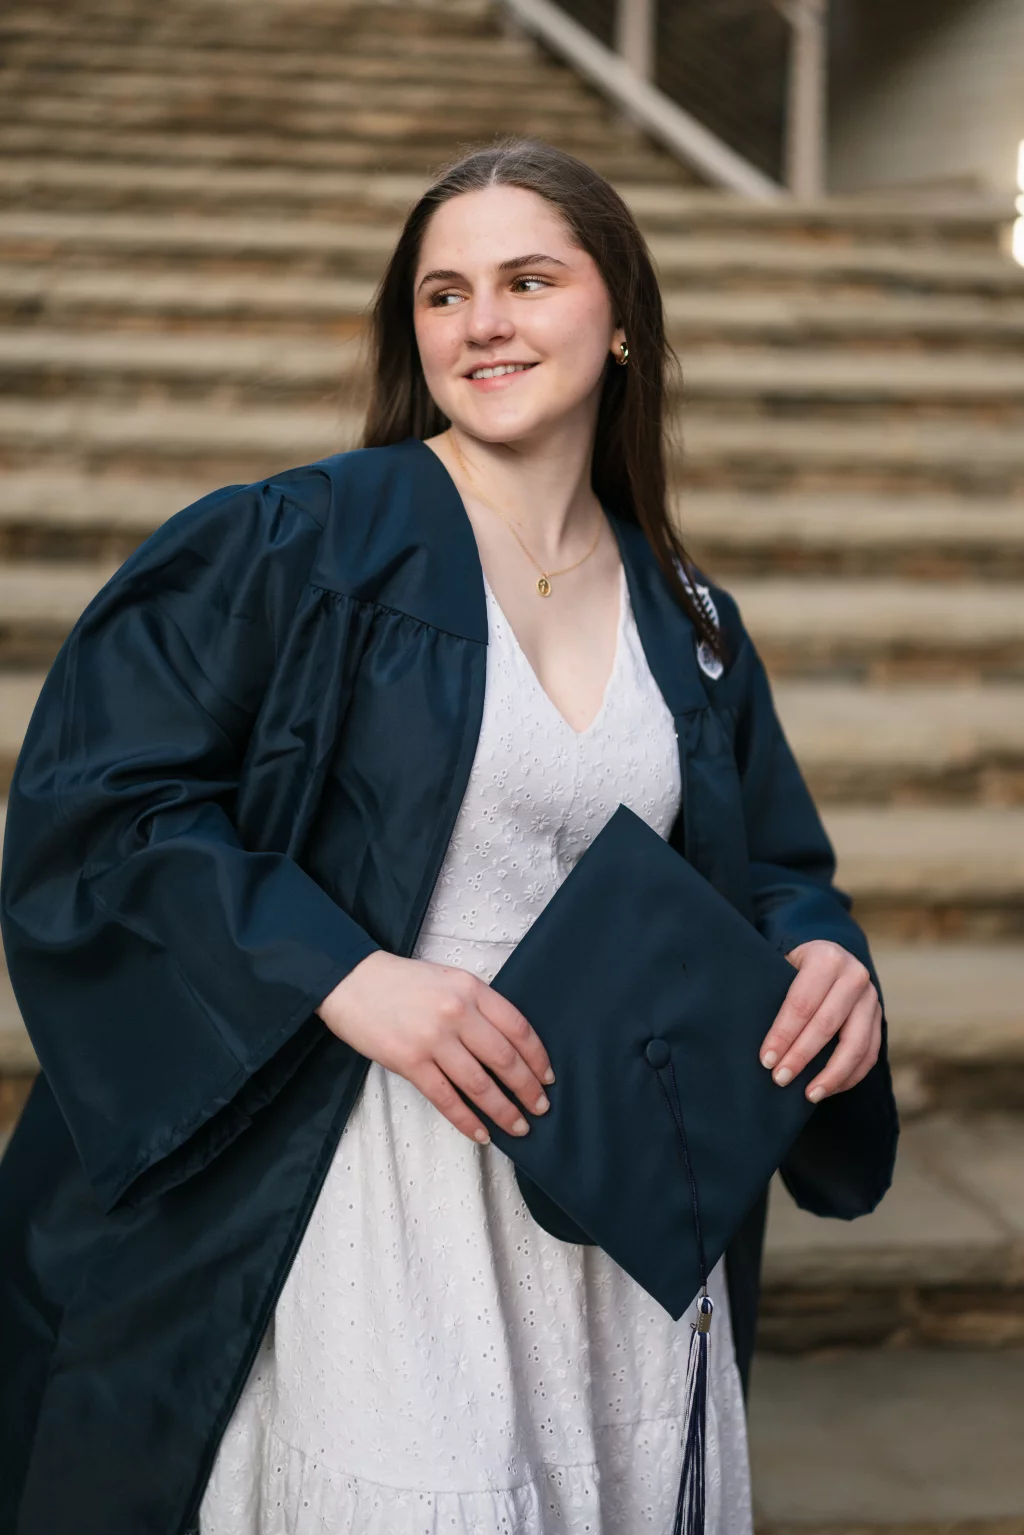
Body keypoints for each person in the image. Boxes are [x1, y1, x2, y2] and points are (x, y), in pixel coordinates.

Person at [0, 139, 896, 1535]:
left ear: (622, 327)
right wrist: (351, 975)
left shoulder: (692, 617)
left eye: (530, 280)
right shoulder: (296, 547)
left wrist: (826, 952)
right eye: (444, 291)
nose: (483, 321)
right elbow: (104, 803)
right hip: (378, 1174)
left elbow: (770, 866)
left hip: (610, 1196)